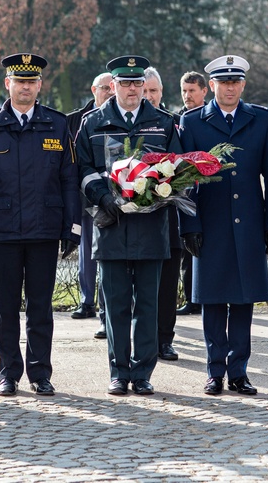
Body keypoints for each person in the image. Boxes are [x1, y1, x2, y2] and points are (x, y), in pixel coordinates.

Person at [0, 53, 80, 396]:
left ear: (40, 85)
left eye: (32, 82)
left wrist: (72, 229)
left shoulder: (57, 125)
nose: (26, 87)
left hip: (44, 230)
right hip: (2, 233)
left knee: (40, 308)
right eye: (20, 81)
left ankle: (39, 372)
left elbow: (69, 179)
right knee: (5, 311)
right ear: (8, 84)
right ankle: (8, 373)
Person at [75, 55, 181, 396]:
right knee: (116, 304)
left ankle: (143, 372)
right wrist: (104, 197)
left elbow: (178, 172)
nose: (132, 89)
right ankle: (119, 372)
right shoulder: (93, 123)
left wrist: (157, 194)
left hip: (151, 229)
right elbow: (83, 170)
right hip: (111, 227)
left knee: (148, 305)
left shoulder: (164, 124)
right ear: (113, 86)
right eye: (125, 83)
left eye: (138, 83)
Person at [179, 55, 268, 396]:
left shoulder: (262, 119)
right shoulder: (193, 123)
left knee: (243, 300)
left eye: (235, 82)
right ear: (214, 87)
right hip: (211, 223)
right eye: (224, 82)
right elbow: (183, 181)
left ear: (243, 85)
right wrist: (189, 224)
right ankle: (214, 371)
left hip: (249, 222)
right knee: (212, 301)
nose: (230, 87)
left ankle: (239, 372)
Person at [69, 72, 112, 337]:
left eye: (111, 87)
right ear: (93, 90)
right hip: (85, 196)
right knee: (88, 251)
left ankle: (108, 308)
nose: (108, 92)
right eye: (104, 88)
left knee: (108, 254)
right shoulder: (74, 120)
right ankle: (87, 300)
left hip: (120, 198)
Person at [143, 66, 181, 361]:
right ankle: (141, 341)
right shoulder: (126, 124)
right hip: (133, 219)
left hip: (168, 219)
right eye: (143, 90)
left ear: (162, 93)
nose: (148, 96)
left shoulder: (174, 124)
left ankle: (164, 340)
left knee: (167, 286)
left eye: (153, 91)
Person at [176, 71, 208, 317]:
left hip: (208, 189)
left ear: (204, 91)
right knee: (187, 250)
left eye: (192, 91)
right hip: (185, 192)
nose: (187, 96)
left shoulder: (209, 118)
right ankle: (191, 297)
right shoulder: (177, 118)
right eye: (184, 91)